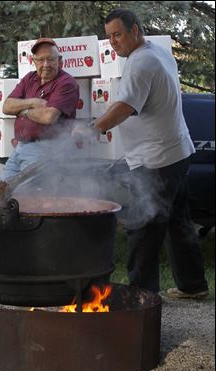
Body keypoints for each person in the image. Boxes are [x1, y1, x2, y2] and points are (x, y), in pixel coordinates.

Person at [75, 9, 209, 298]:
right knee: (178, 222)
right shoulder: (158, 53)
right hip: (176, 151)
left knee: (143, 227)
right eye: (109, 36)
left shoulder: (141, 63)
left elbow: (125, 107)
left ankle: (141, 296)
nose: (112, 42)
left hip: (157, 160)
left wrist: (93, 129)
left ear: (135, 30)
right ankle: (193, 286)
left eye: (118, 34)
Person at [0, 37, 79, 180]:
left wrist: (22, 111)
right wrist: (32, 102)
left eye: (51, 59)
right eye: (41, 60)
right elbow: (6, 106)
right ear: (33, 61)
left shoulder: (66, 83)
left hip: (48, 149)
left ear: (59, 60)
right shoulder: (29, 78)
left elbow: (48, 117)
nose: (46, 64)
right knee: (1, 190)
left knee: (24, 196)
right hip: (21, 147)